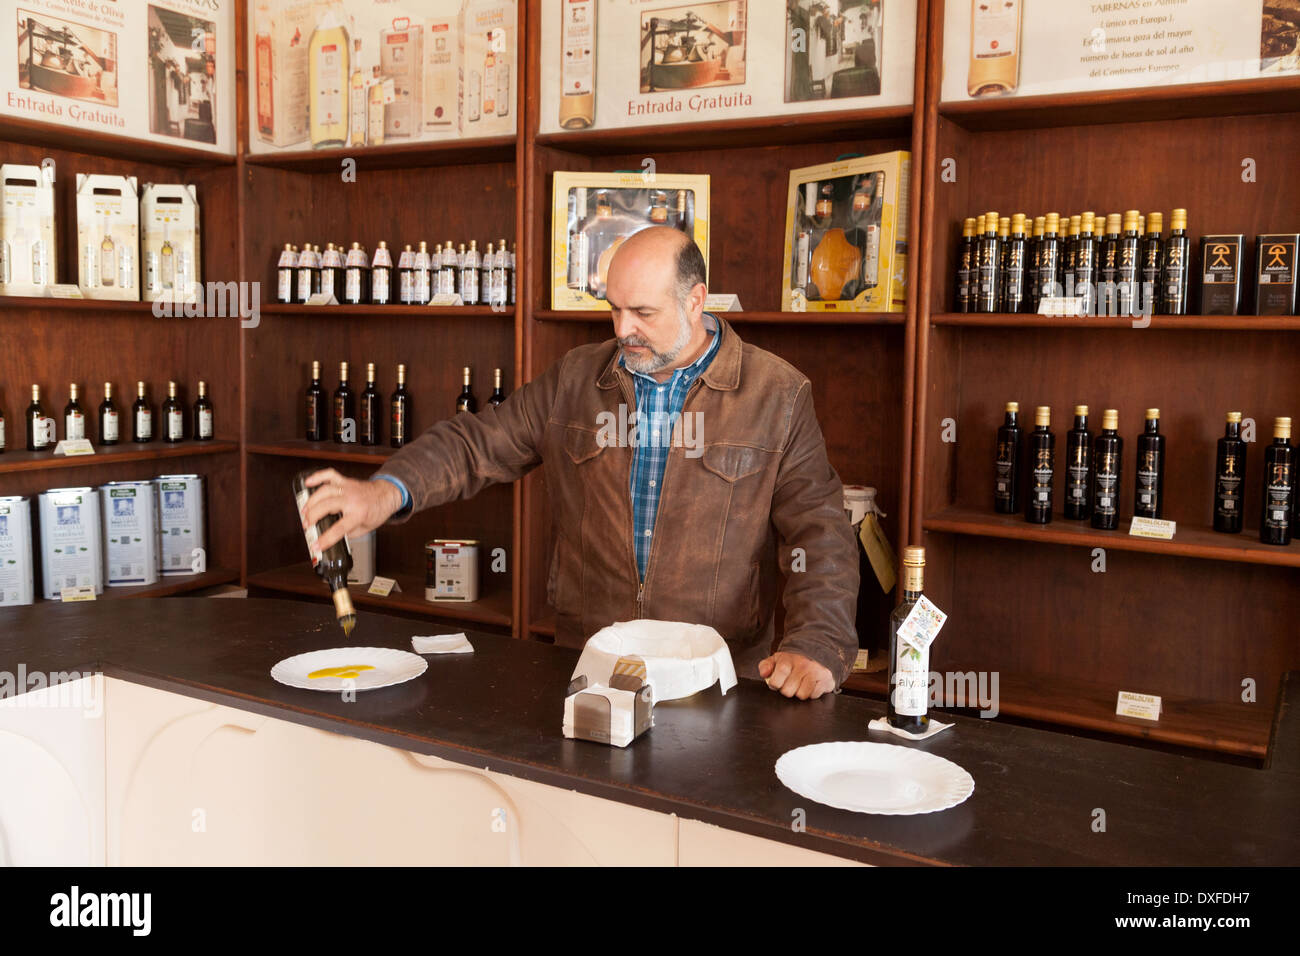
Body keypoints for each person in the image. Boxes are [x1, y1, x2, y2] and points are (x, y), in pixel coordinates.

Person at [300, 227, 859, 700]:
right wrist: (385, 492)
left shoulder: (777, 394)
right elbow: (478, 443)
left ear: (695, 301)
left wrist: (818, 643)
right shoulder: (575, 378)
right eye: (614, 309)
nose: (621, 330)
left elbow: (820, 528)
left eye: (642, 312)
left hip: (713, 681)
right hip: (591, 670)